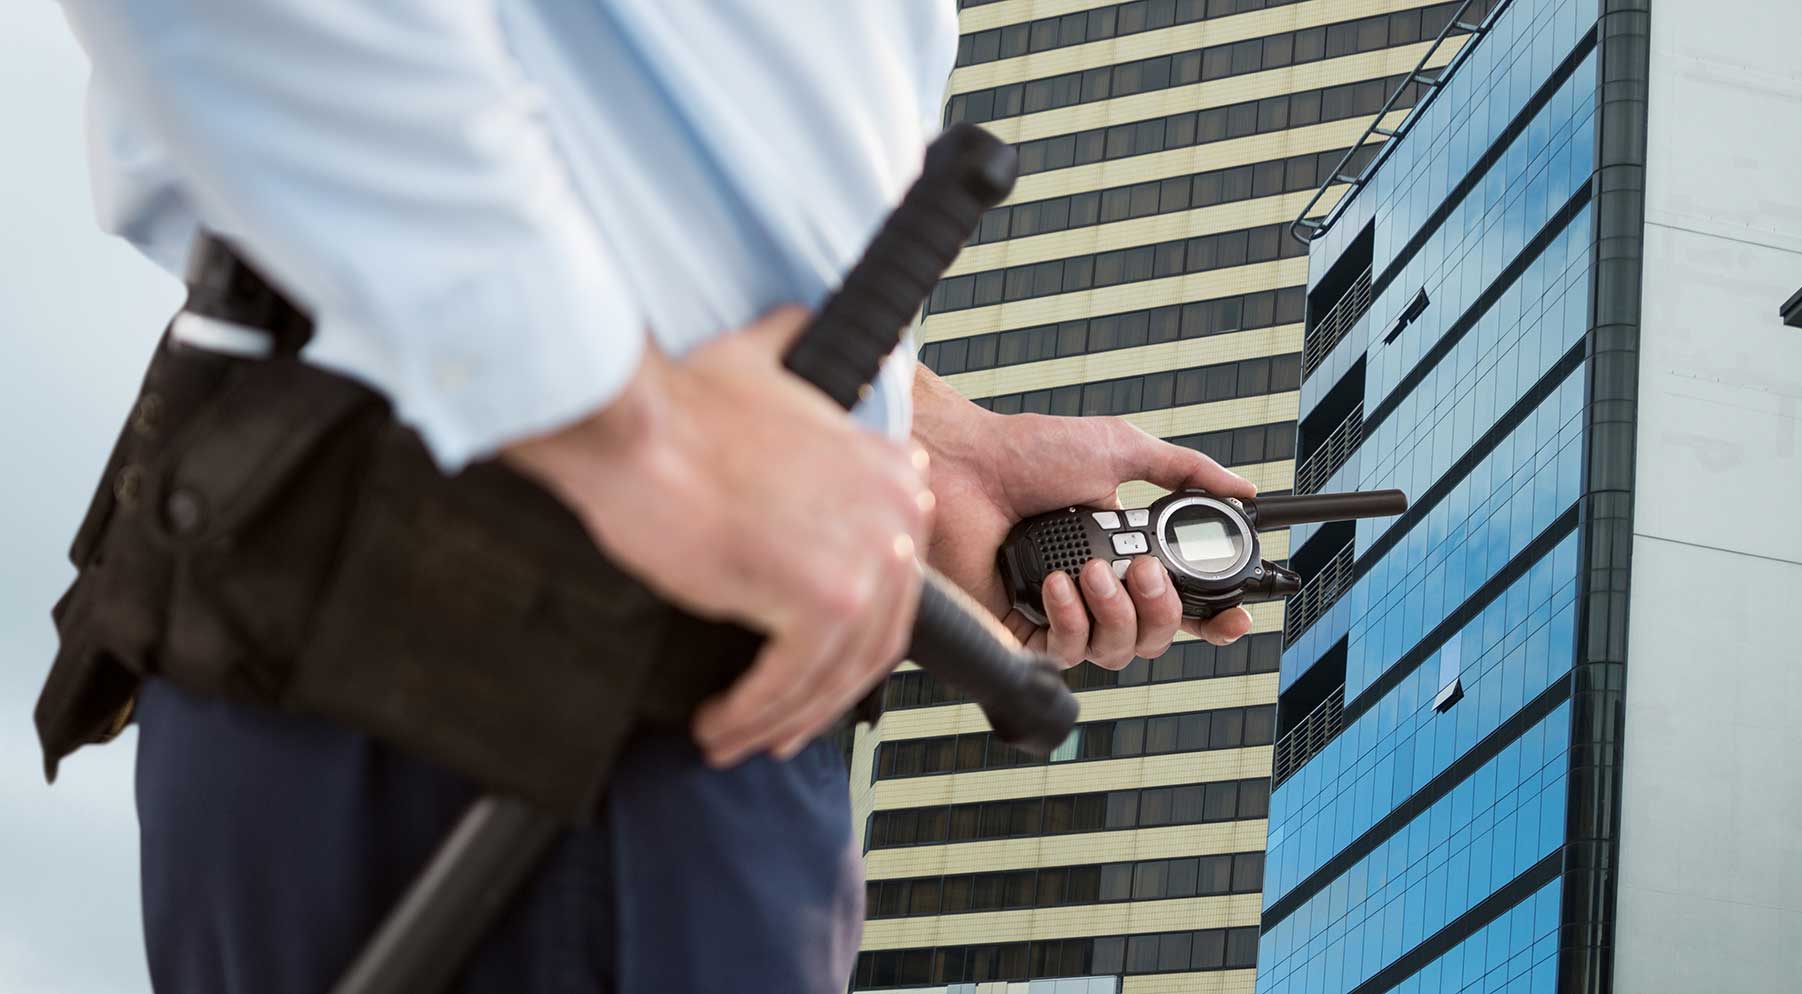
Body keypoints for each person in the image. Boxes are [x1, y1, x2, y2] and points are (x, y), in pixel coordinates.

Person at [55, 1, 1260, 991]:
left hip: (665, 670)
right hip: (496, 620)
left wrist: (921, 440)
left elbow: (688, 137)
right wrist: (620, 425)